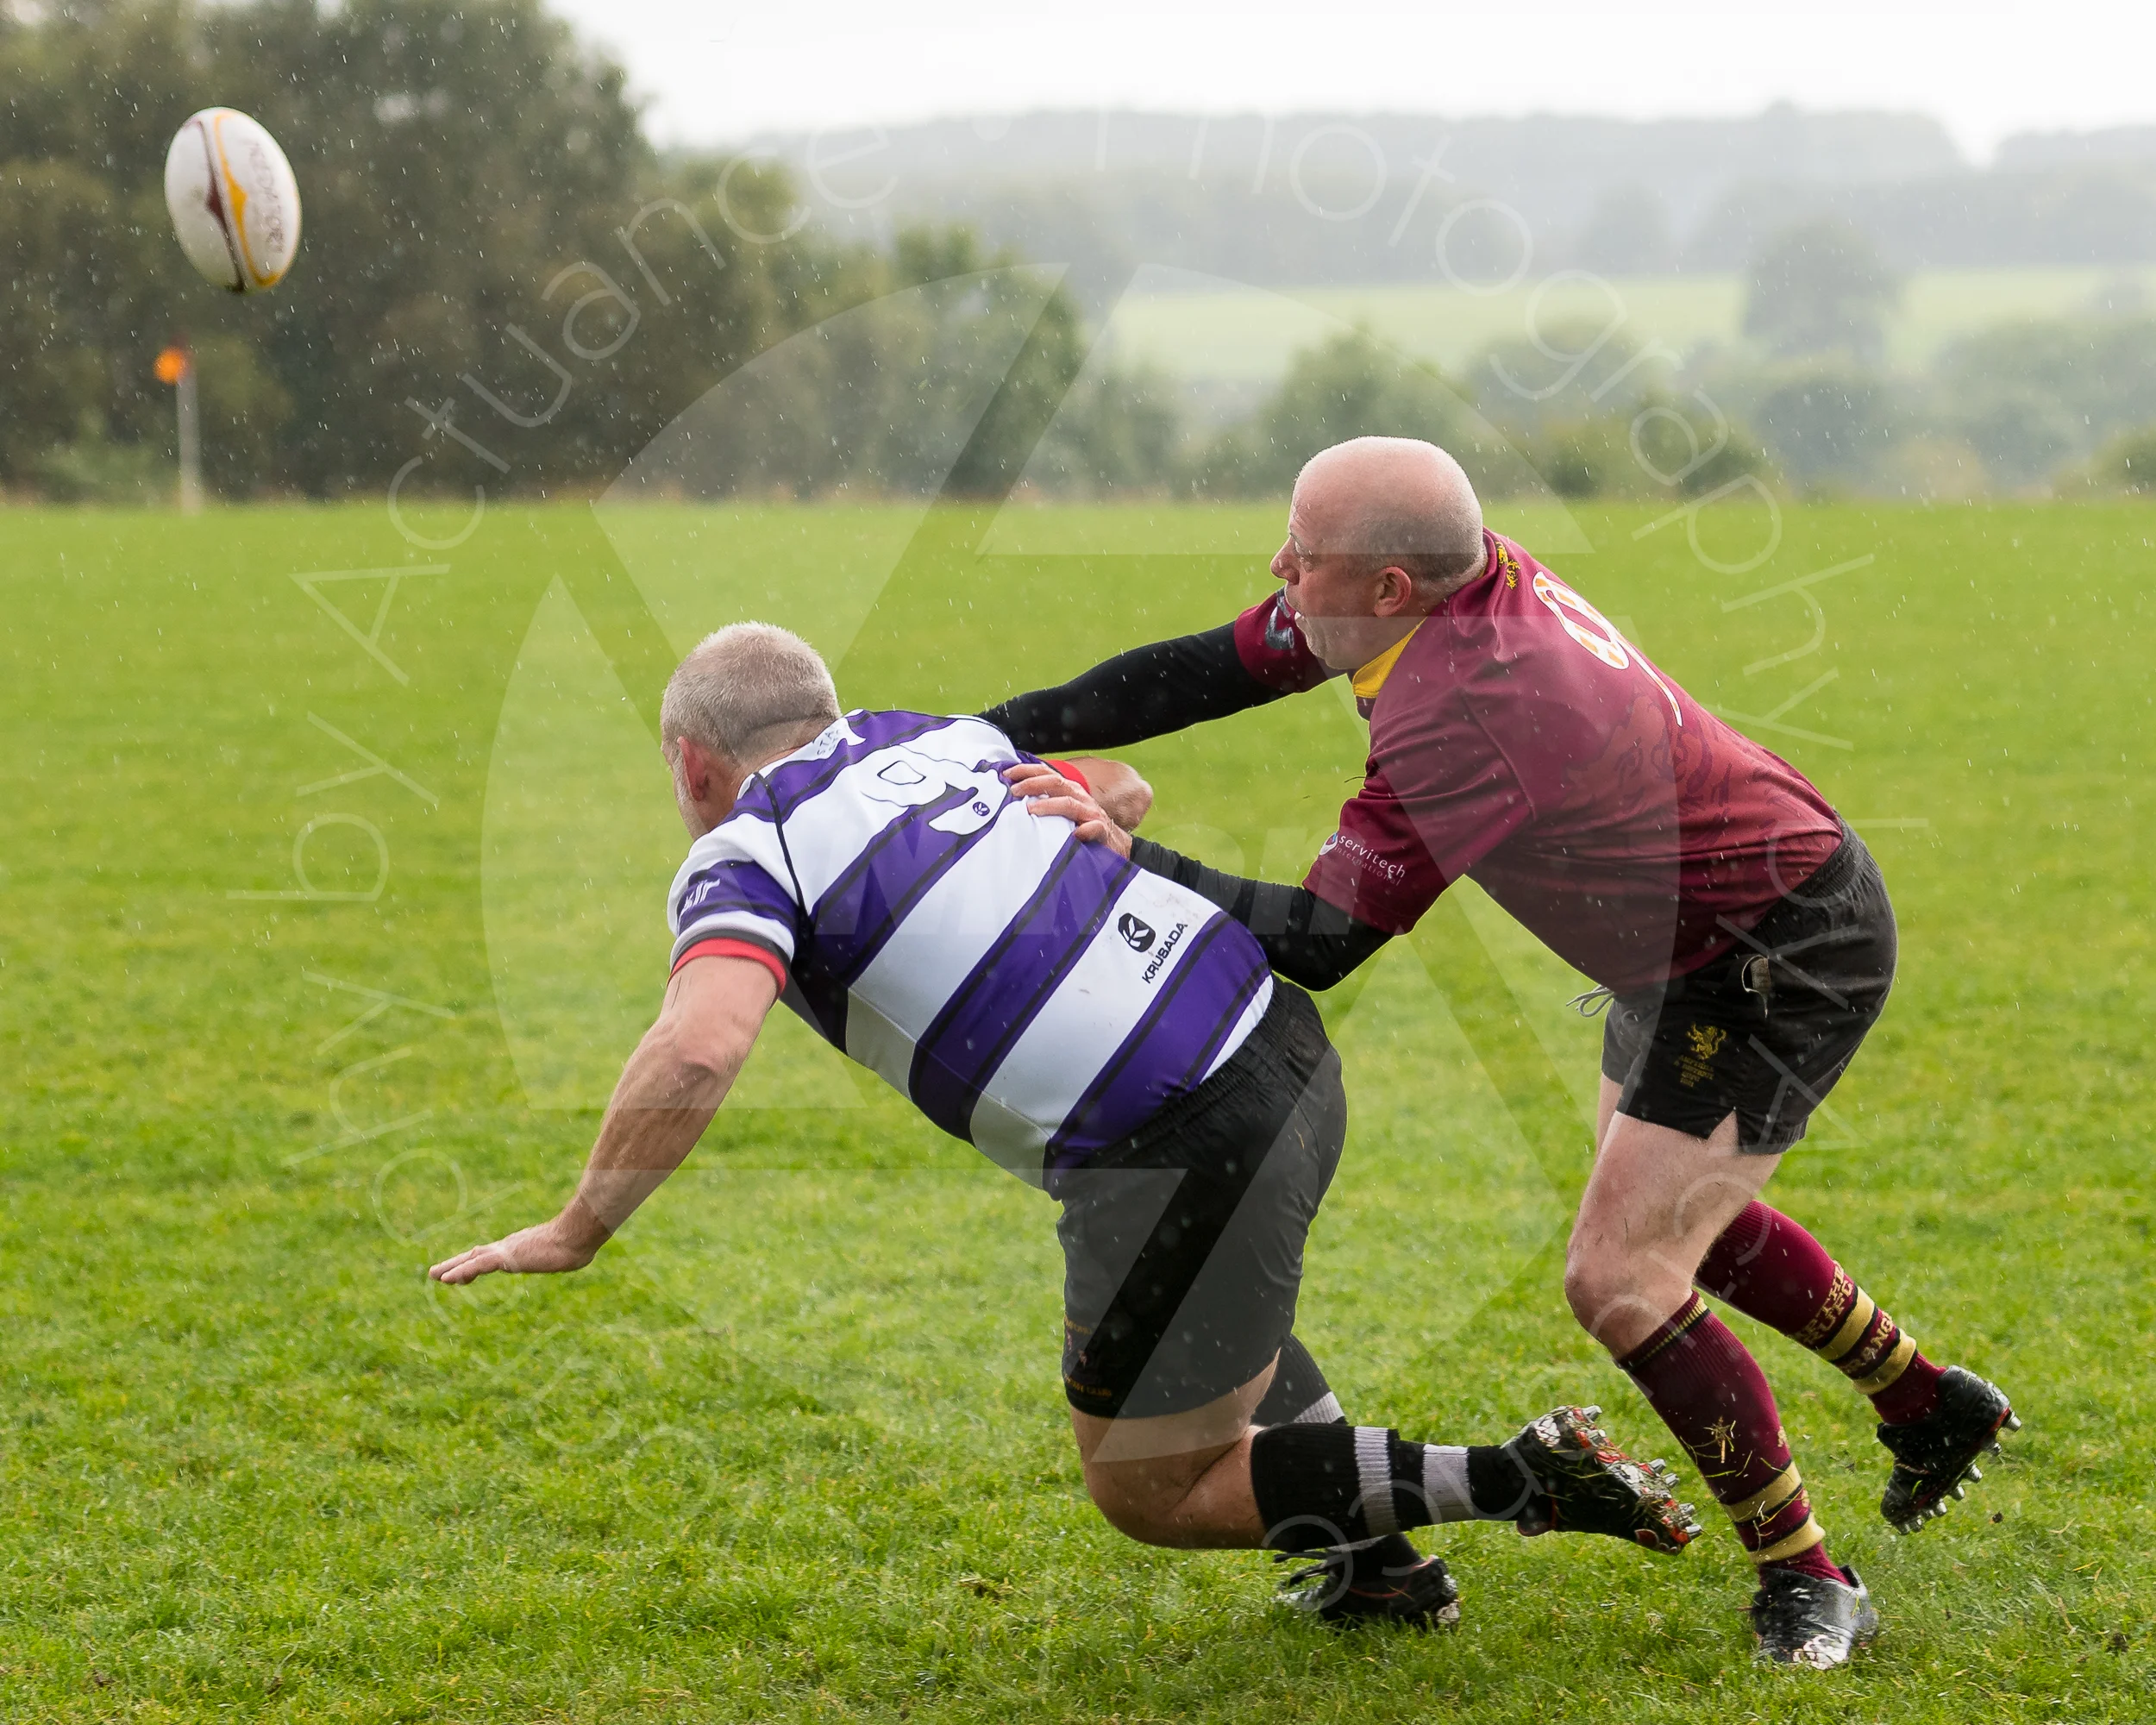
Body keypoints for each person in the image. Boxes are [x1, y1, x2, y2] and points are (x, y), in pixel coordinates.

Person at [429, 622, 1700, 1631]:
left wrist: (579, 1226)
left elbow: (701, 1042)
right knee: (1210, 1334)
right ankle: (1375, 1573)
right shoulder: (937, 738)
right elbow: (1122, 780)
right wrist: (1111, 800)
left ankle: (1518, 1475)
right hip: (1284, 1048)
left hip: (1179, 1151)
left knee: (1146, 1483)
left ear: (690, 766)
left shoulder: (747, 851)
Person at [987, 436, 2018, 1670]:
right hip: (1691, 927)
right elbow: (1205, 671)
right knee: (1679, 1222)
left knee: (1623, 1276)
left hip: (1768, 949)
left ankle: (1809, 1576)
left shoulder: (1464, 707)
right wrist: (977, 736)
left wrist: (1119, 853)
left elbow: (1321, 939)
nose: (1276, 568)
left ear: (1388, 591)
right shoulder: (1433, 594)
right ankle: (1925, 1402)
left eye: (1300, 554)